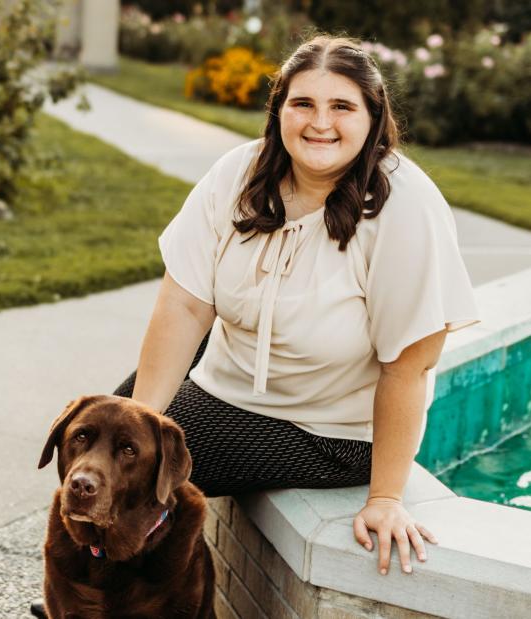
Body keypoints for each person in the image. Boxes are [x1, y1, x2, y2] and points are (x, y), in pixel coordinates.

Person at [114, 34, 480, 577]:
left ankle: (121, 603)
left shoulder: (406, 208)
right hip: (230, 376)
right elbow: (185, 308)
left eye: (342, 107)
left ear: (373, 118)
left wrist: (384, 497)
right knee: (103, 434)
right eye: (303, 103)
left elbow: (410, 364)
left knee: (134, 468)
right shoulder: (240, 172)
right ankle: (87, 596)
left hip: (328, 427)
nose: (320, 123)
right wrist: (139, 418)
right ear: (279, 109)